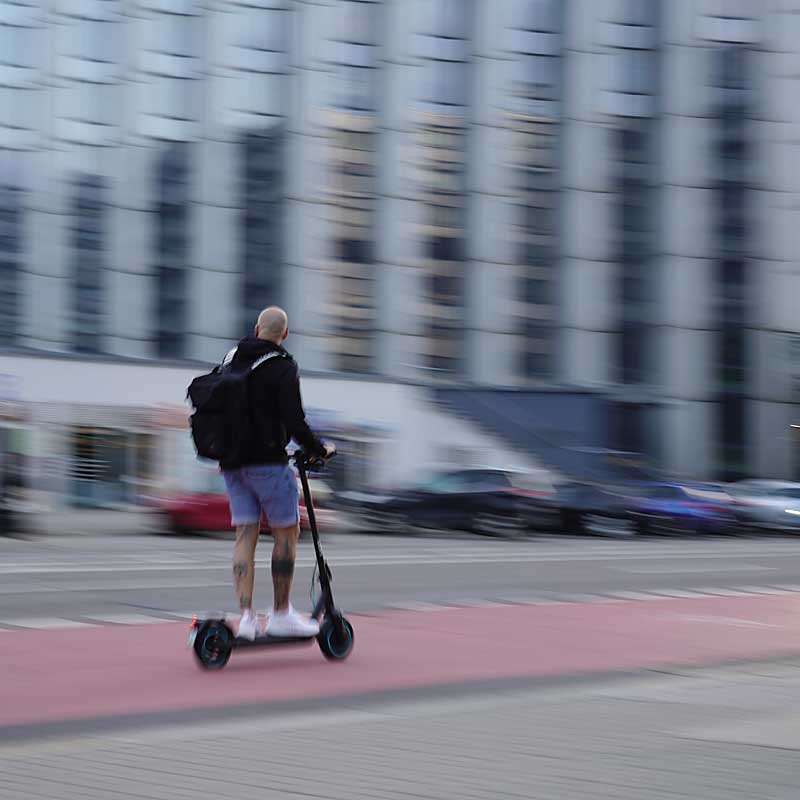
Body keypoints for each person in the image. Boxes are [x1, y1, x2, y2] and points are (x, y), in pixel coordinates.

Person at [220, 306, 334, 640]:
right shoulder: (283, 365)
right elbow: (295, 421)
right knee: (286, 534)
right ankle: (282, 613)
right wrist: (319, 448)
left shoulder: (231, 358)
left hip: (231, 464)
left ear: (256, 329)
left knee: (245, 536)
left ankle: (245, 619)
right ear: (284, 334)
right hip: (267, 464)